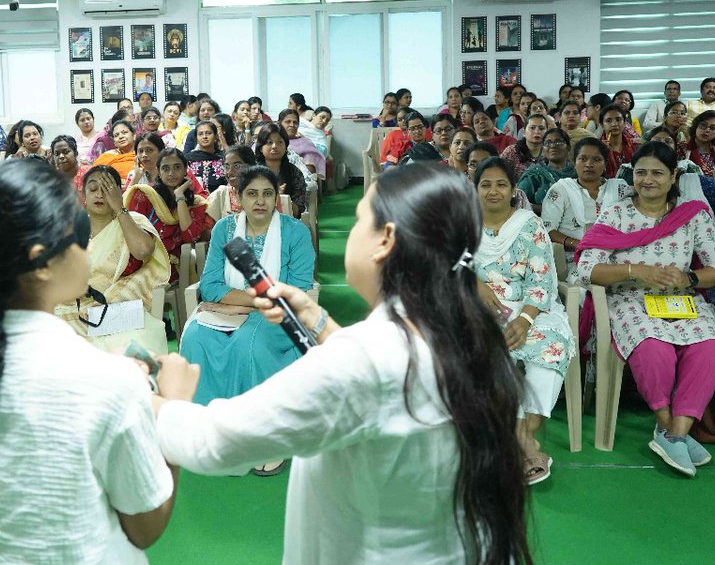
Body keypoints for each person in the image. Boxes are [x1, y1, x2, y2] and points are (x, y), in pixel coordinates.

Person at [156, 164, 532, 563]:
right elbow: (378, 383)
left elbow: (214, 442)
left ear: (384, 240)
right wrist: (318, 322)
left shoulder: (364, 359)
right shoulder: (464, 333)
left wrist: (166, 403)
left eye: (357, 220)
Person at [0, 159, 181, 563]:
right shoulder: (108, 382)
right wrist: (172, 415)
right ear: (43, 262)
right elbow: (145, 526)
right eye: (78, 237)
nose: (86, 251)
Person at [575, 142, 715, 477]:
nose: (648, 180)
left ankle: (675, 431)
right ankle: (669, 428)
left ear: (673, 175)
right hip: (630, 300)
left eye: (657, 173)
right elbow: (588, 269)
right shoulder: (616, 212)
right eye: (642, 172)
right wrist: (636, 271)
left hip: (681, 300)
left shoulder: (691, 215)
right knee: (653, 347)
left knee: (710, 348)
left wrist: (689, 277)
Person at [179, 167, 315, 417]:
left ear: (277, 197)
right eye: (252, 193)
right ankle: (206, 420)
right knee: (195, 337)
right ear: (239, 197)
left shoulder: (296, 232)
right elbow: (210, 285)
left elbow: (296, 290)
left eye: (267, 193)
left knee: (246, 344)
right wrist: (253, 300)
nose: (260, 201)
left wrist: (240, 304)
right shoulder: (224, 229)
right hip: (230, 310)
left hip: (278, 315)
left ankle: (254, 426)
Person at [473, 157, 573, 484]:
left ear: (513, 189)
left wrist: (526, 320)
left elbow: (541, 282)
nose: (493, 191)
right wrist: (473, 282)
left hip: (531, 309)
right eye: (485, 184)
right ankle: (526, 445)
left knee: (553, 346)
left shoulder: (530, 225)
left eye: (501, 184)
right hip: (480, 311)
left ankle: (523, 437)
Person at [80, 164, 171, 312]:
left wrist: (119, 208)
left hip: (122, 306)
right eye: (93, 189)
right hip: (77, 304)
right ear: (84, 195)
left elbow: (143, 251)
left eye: (107, 189)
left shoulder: (134, 220)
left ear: (118, 193)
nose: (99, 195)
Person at [125, 148, 212, 283]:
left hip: (169, 265)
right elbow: (132, 231)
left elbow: (190, 236)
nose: (171, 173)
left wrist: (180, 196)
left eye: (177, 167)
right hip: (139, 259)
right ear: (159, 172)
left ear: (185, 170)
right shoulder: (144, 195)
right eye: (165, 168)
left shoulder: (195, 203)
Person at [541, 138, 622, 276]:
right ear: (574, 162)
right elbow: (547, 229)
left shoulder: (619, 188)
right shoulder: (561, 189)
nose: (589, 164)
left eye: (596, 160)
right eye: (583, 159)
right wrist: (577, 244)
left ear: (605, 164)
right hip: (576, 259)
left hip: (617, 256)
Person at [517, 126, 576, 212]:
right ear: (543, 149)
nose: (553, 146)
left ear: (568, 147)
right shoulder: (535, 175)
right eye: (548, 143)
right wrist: (547, 210)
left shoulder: (578, 173)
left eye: (558, 142)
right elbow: (518, 202)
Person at [255, 123, 307, 216]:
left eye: (279, 142)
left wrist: (282, 199)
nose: (274, 146)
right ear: (260, 148)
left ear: (286, 147)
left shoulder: (294, 173)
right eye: (269, 142)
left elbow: (299, 211)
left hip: (286, 222)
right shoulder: (252, 173)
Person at [679, 110, 715, 178]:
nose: (707, 130)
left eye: (712, 128)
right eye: (703, 125)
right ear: (696, 126)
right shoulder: (681, 148)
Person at [501, 113, 548, 181]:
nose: (537, 131)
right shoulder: (512, 152)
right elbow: (502, 176)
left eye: (541, 128)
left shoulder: (550, 152)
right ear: (524, 132)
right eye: (532, 128)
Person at [278, 108, 325, 175]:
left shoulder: (306, 144)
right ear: (279, 123)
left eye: (295, 122)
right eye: (288, 122)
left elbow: (309, 172)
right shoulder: (274, 142)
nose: (292, 125)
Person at [185, 120, 225, 194]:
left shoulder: (223, 159)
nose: (204, 137)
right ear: (196, 138)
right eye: (200, 134)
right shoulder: (188, 159)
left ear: (216, 136)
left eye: (208, 133)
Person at [599, 103, 637, 177]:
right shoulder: (596, 148)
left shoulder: (635, 145)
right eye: (609, 121)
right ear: (602, 125)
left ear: (624, 122)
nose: (614, 124)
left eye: (618, 119)